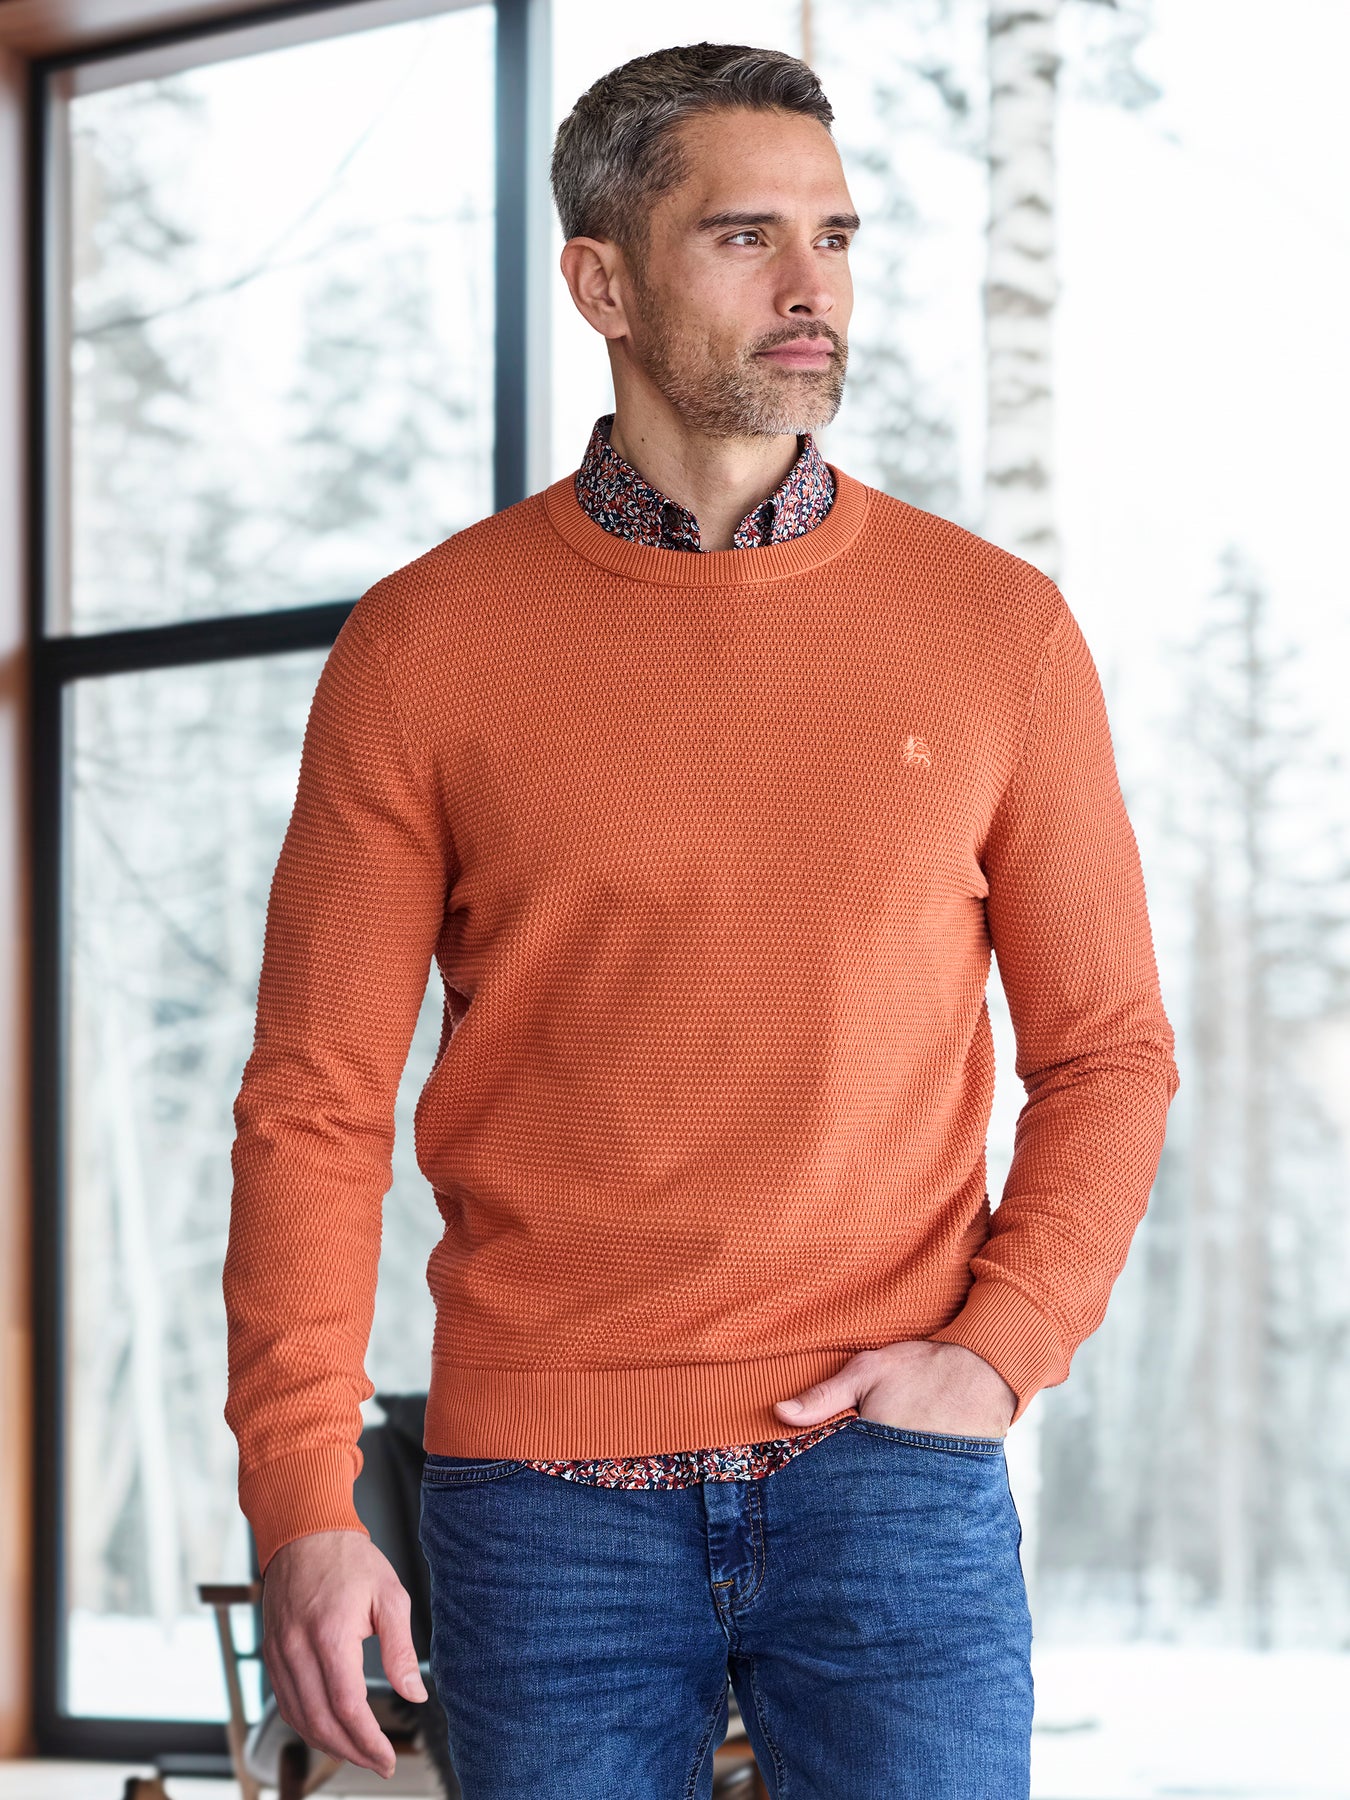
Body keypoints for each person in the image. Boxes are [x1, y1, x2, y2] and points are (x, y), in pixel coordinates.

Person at [222, 39, 1179, 1800]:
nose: (812, 286)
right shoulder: (425, 644)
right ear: (601, 282)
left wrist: (998, 1351)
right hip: (538, 1501)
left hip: (889, 1472)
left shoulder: (996, 631)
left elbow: (1109, 1053)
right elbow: (314, 1100)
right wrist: (300, 1491)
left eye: (836, 234)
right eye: (746, 237)